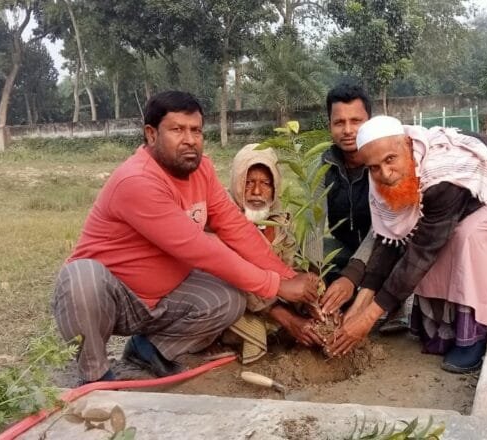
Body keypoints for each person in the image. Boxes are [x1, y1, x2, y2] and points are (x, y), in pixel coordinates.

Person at [51, 91, 318, 384]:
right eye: (177, 129)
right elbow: (201, 249)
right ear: (151, 134)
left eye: (196, 130)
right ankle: (95, 375)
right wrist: (277, 285)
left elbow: (235, 227)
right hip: (114, 299)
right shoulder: (137, 181)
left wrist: (288, 275)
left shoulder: (201, 170)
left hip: (166, 297)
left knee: (228, 298)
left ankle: (150, 350)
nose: (190, 139)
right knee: (80, 276)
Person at [329, 116, 487, 374]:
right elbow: (389, 237)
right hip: (468, 203)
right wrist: (359, 304)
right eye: (374, 167)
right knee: (429, 236)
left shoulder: (440, 174)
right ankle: (445, 330)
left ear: (407, 144)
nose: (385, 174)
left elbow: (424, 250)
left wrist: (368, 319)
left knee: (466, 237)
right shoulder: (379, 174)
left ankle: (476, 334)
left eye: (391, 160)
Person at [317, 84, 408, 333]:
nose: (347, 130)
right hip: (346, 248)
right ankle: (328, 302)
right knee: (317, 253)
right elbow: (313, 225)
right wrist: (313, 277)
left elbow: (382, 231)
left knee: (402, 251)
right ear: (330, 125)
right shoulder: (324, 164)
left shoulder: (383, 164)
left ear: (369, 121)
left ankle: (395, 305)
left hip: (386, 245)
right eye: (339, 122)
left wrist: (351, 276)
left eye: (356, 121)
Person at [226, 144, 325, 363]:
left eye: (265, 183)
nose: (256, 192)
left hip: (272, 296)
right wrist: (285, 316)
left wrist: (310, 299)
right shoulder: (224, 218)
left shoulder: (279, 220)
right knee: (255, 334)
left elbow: (289, 269)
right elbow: (236, 276)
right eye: (248, 183)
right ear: (235, 182)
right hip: (238, 301)